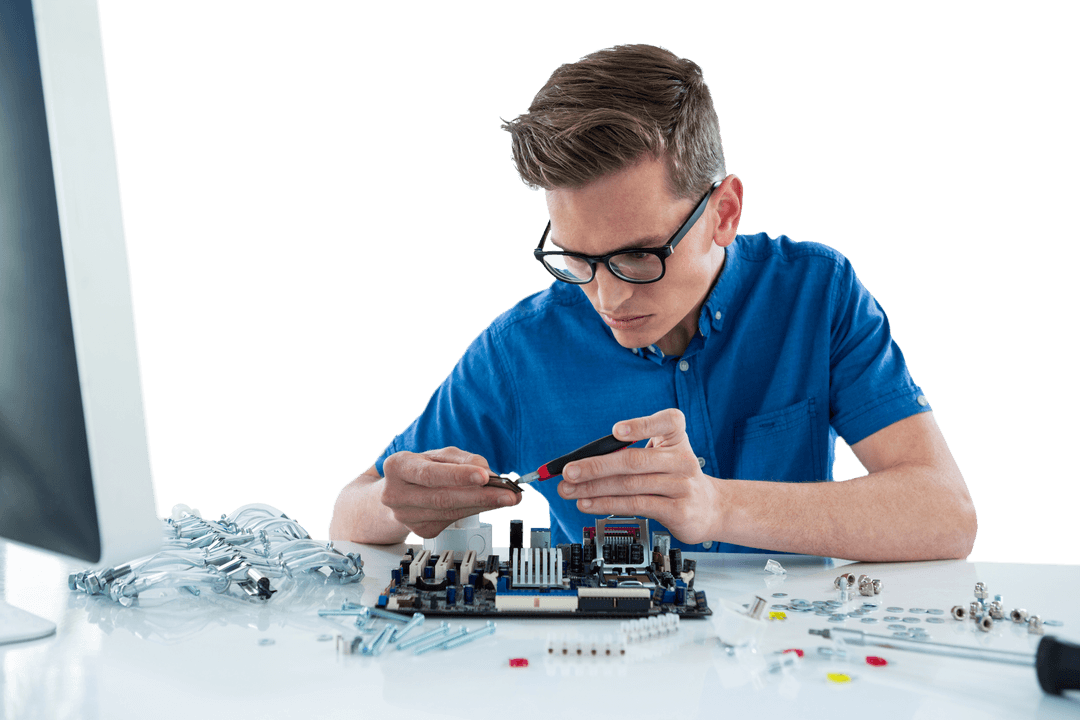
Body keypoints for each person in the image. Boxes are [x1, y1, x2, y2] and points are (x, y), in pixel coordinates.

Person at [328, 44, 977, 561]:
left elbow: (945, 514)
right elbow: (349, 511)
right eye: (575, 259)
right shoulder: (518, 350)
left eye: (639, 256)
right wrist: (399, 502)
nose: (607, 298)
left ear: (723, 213)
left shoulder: (816, 293)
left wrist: (714, 506)